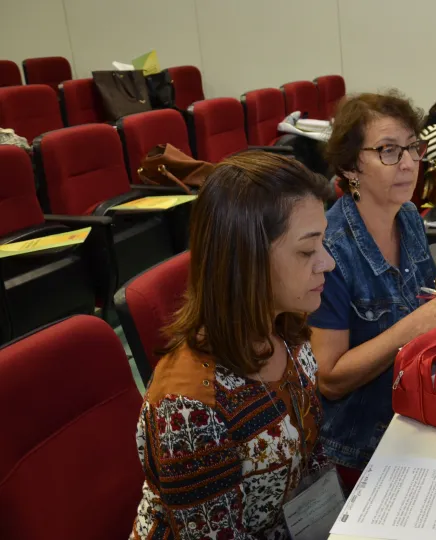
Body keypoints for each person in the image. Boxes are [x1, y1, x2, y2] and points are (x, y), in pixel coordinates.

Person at [131, 152, 338, 538]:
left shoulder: (288, 330)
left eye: (323, 243)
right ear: (247, 260)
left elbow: (311, 458)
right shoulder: (190, 408)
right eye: (307, 250)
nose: (328, 262)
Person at [310, 92, 436, 489]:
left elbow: (433, 302)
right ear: (350, 166)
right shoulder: (330, 249)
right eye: (388, 150)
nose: (407, 163)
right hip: (362, 447)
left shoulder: (408, 217)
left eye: (412, 148)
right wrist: (418, 324)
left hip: (418, 415)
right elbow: (329, 378)